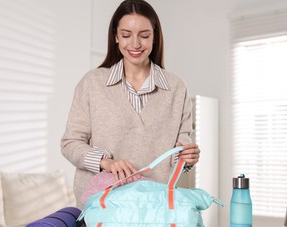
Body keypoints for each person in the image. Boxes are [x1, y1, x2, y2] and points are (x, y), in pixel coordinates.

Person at [61, 0, 200, 209]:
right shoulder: (92, 83)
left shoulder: (176, 88)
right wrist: (106, 163)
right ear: (116, 37)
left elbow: (180, 151)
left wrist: (187, 158)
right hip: (100, 207)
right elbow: (70, 143)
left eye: (144, 35)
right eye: (126, 35)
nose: (135, 44)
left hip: (152, 206)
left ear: (154, 37)